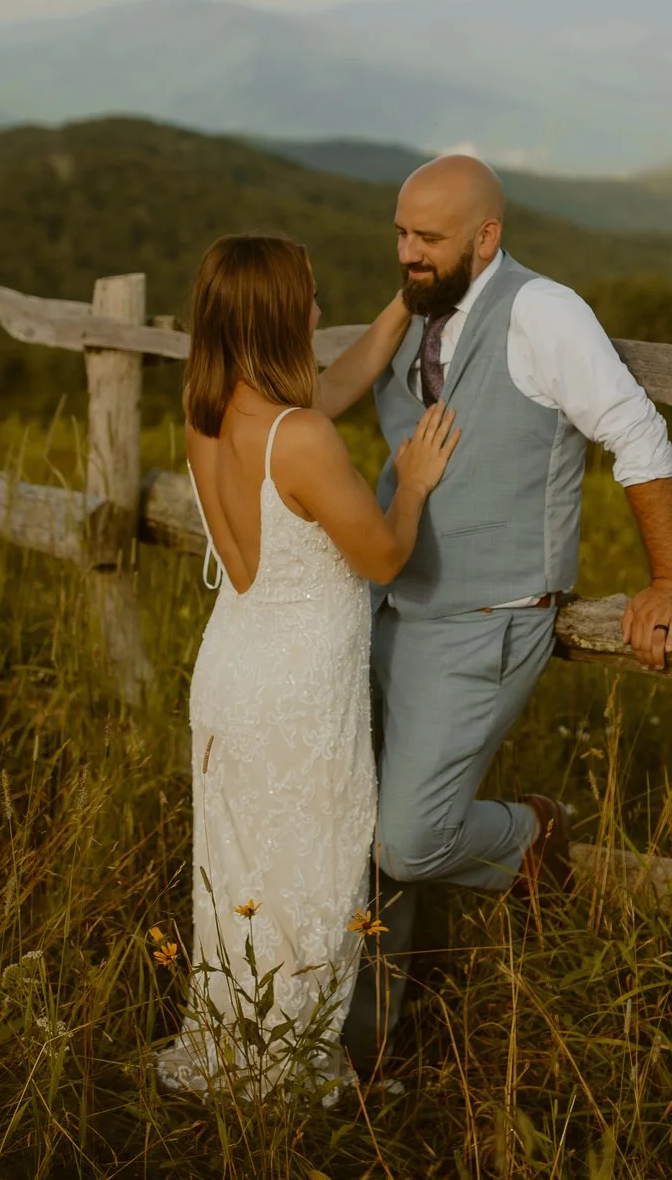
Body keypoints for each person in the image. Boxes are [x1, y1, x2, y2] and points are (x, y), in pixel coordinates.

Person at [345, 154, 672, 1070]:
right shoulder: (418, 307)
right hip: (389, 608)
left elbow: (636, 429)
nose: (408, 253)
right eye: (400, 233)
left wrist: (669, 578)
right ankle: (370, 1051)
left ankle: (534, 832)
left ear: (487, 237)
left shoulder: (544, 312)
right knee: (364, 841)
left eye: (428, 239)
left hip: (490, 614)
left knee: (411, 840)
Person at [154, 234, 460, 1101]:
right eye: (312, 299)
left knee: (245, 878)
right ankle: (283, 1070)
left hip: (229, 674)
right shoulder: (304, 440)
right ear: (279, 316)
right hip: (293, 693)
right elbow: (386, 557)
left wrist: (404, 304)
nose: (323, 311)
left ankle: (242, 1049)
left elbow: (334, 384)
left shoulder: (209, 411)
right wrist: (413, 477)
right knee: (312, 879)